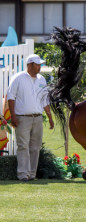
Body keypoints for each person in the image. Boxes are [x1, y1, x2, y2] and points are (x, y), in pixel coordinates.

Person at [7, 54, 54, 182]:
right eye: (37, 64)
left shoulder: (42, 80)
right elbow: (11, 97)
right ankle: (23, 175)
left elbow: (45, 99)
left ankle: (32, 174)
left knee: (35, 147)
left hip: (38, 118)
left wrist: (50, 117)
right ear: (29, 65)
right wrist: (13, 116)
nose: (39, 67)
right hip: (22, 118)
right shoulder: (18, 78)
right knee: (23, 146)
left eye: (40, 64)